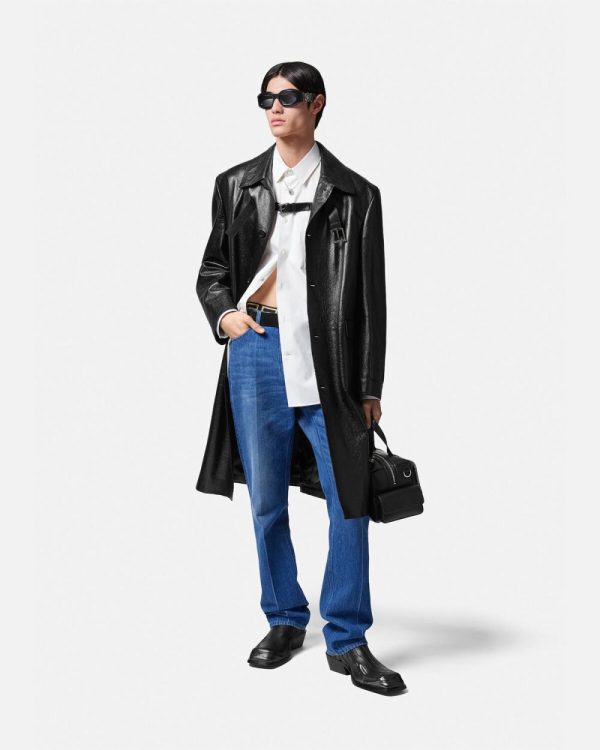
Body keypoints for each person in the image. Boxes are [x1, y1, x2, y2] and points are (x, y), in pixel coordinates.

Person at [196, 61, 406, 696]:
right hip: (256, 349)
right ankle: (284, 618)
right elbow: (212, 270)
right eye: (266, 99)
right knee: (266, 499)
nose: (275, 108)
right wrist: (227, 316)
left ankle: (347, 637)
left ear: (317, 104)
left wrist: (369, 385)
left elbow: (370, 299)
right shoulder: (236, 184)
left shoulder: (356, 194)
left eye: (287, 97)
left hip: (330, 360)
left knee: (350, 501)